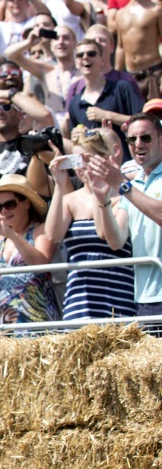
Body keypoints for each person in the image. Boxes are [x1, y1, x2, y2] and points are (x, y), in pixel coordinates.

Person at [45, 128, 136, 320]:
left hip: (118, 300)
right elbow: (53, 235)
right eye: (76, 161)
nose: (81, 167)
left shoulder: (125, 196)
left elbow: (106, 235)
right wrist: (59, 184)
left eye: (87, 160)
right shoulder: (71, 200)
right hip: (80, 301)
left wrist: (98, 193)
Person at [87, 114, 162, 317]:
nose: (138, 144)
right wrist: (101, 198)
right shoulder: (134, 184)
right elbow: (116, 241)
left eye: (145, 138)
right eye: (132, 139)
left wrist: (122, 185)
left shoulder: (128, 186)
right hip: (144, 299)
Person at [0, 175, 61, 326]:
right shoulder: (1, 239)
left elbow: (41, 263)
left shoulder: (40, 230)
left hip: (39, 321)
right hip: (6, 323)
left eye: (9, 204)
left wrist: (12, 235)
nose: (3, 211)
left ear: (26, 203)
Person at [114, 0, 162, 100]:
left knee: (157, 118)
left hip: (153, 73)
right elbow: (120, 48)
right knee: (134, 118)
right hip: (131, 76)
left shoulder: (155, 10)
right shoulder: (120, 14)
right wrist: (116, 76)